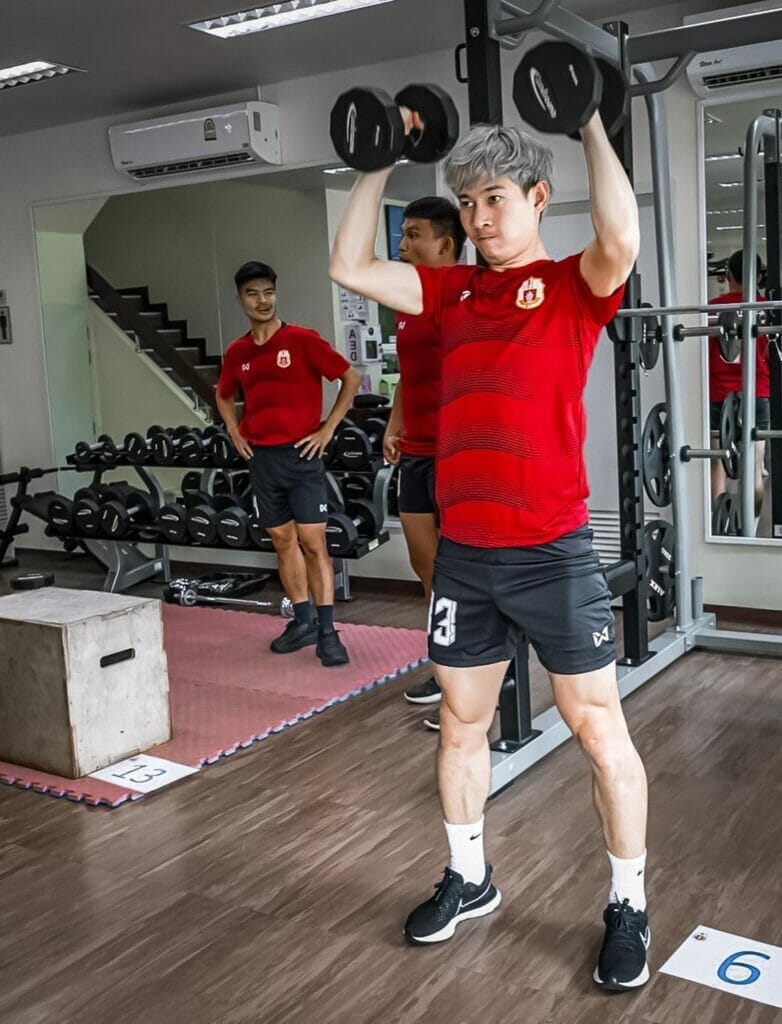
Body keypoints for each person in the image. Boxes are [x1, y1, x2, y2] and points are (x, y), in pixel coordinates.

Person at [330, 115, 651, 991]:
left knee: (598, 730)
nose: (478, 218)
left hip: (553, 553)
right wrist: (376, 162)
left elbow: (622, 237)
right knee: (462, 725)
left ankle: (628, 904)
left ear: (538, 198)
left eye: (495, 199)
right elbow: (349, 267)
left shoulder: (573, 284)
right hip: (467, 557)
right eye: (467, 202)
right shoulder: (450, 293)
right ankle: (469, 877)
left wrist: (588, 121)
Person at [216, 261, 361, 665]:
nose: (262, 301)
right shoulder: (238, 351)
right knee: (282, 541)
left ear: (275, 294)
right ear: (240, 299)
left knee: (314, 543)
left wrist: (328, 429)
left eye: (268, 292)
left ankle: (328, 631)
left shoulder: (301, 340)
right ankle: (302, 621)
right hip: (263, 460)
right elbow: (223, 393)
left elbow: (350, 378)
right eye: (252, 294)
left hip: (302, 456)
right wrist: (234, 430)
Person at [380, 197, 467, 720]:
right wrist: (395, 423)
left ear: (445, 243)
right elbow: (409, 378)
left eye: (414, 235)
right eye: (403, 234)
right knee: (425, 562)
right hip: (416, 452)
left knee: (465, 569)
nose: (403, 244)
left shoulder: (465, 299)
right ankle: (448, 662)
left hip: (459, 454)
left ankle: (479, 674)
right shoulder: (408, 304)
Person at [708, 250, 782, 514]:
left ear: (728, 276)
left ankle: (720, 527)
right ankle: (752, 527)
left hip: (717, 395)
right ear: (759, 278)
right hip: (757, 394)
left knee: (717, 464)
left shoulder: (712, 308)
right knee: (754, 468)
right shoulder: (769, 310)